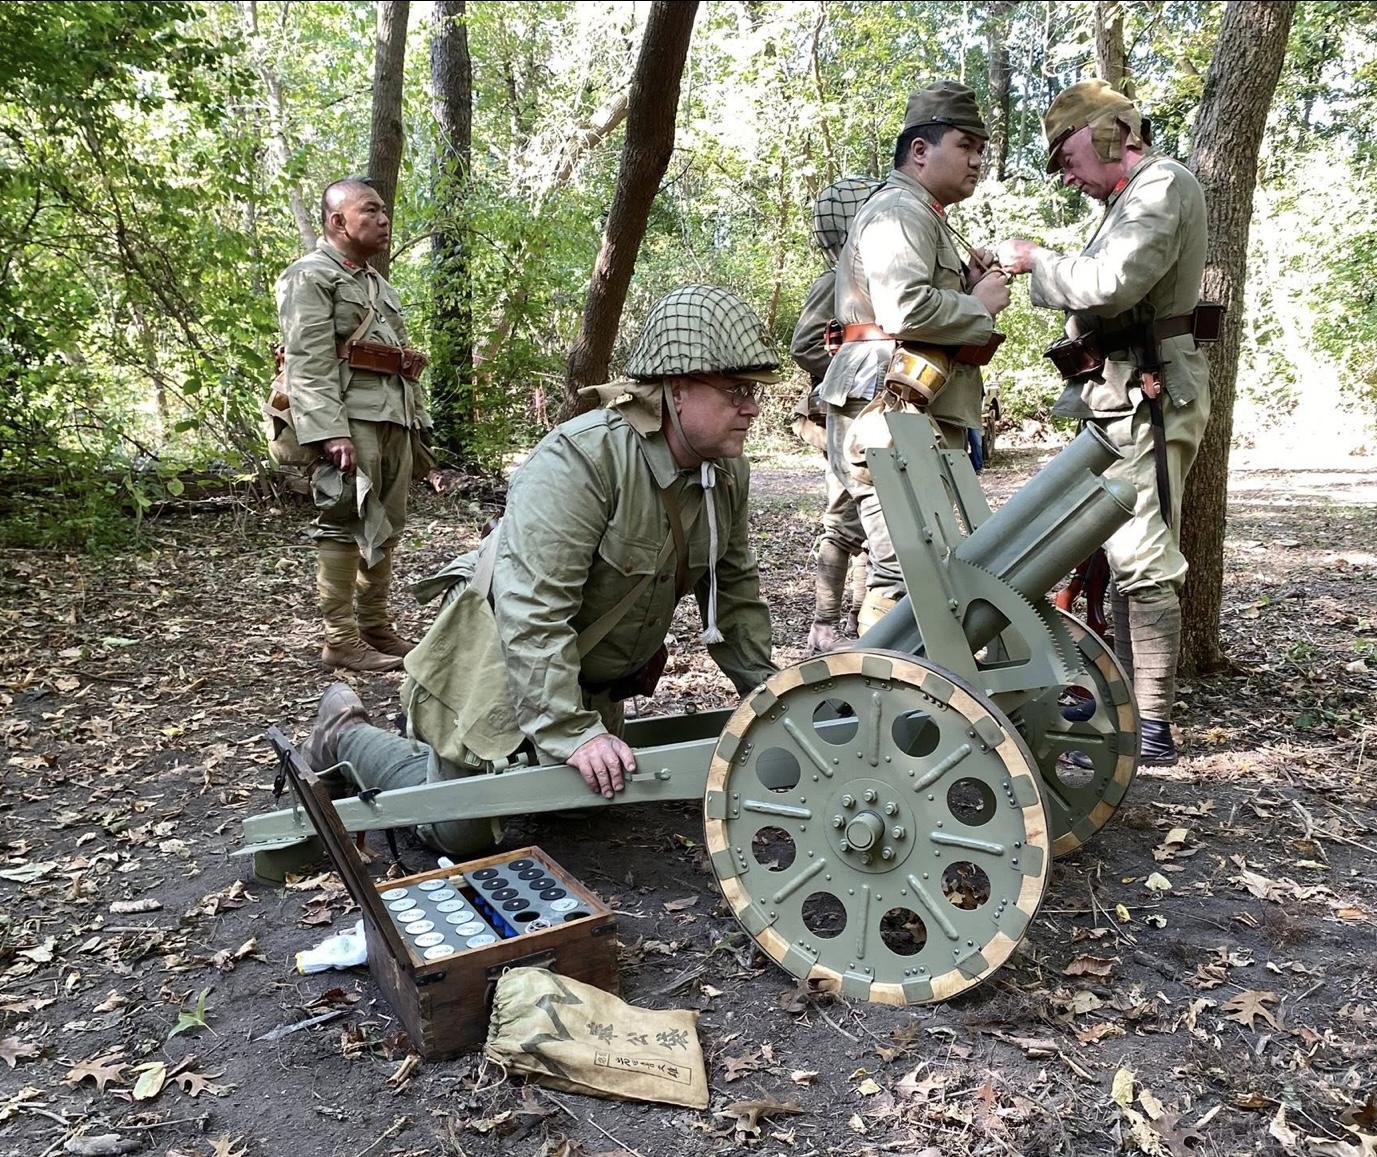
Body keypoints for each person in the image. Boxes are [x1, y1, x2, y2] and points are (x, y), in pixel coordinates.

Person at [299, 285, 779, 856]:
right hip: (496, 662)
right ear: (677, 391)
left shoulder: (725, 473)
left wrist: (773, 699)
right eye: (735, 391)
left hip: (580, 677)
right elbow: (532, 608)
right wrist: (572, 733)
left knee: (577, 813)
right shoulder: (583, 459)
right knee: (462, 835)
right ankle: (345, 734)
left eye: (752, 391)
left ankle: (526, 746)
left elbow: (736, 597)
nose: (751, 407)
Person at [996, 79, 1211, 766]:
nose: (1066, 175)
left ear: (1112, 132)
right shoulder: (1131, 196)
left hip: (1148, 395)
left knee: (1143, 560)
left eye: (1066, 156)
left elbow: (1110, 283)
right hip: (1121, 393)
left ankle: (1149, 729)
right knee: (1120, 556)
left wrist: (1035, 262)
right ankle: (1127, 712)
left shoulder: (1160, 185)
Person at [818, 81, 1012, 632]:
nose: (977, 159)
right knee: (904, 574)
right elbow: (903, 309)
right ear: (920, 150)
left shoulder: (925, 214)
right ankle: (874, 706)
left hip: (909, 413)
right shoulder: (902, 210)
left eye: (981, 148)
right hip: (890, 413)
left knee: (920, 570)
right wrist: (976, 304)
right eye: (966, 145)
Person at [276, 177, 431, 674]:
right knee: (344, 521)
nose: (384, 219)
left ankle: (375, 627)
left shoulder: (374, 283)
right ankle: (339, 639)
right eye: (370, 211)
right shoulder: (310, 276)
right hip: (349, 418)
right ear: (337, 221)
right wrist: (328, 431)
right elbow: (308, 361)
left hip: (393, 417)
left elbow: (398, 358)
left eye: (384, 211)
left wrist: (418, 420)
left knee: (386, 525)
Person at [790, 176, 881, 655]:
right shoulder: (833, 283)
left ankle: (860, 619)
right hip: (844, 419)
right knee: (843, 523)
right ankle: (824, 627)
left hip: (873, 416)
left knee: (872, 529)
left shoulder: (865, 281)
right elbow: (805, 347)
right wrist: (864, 364)